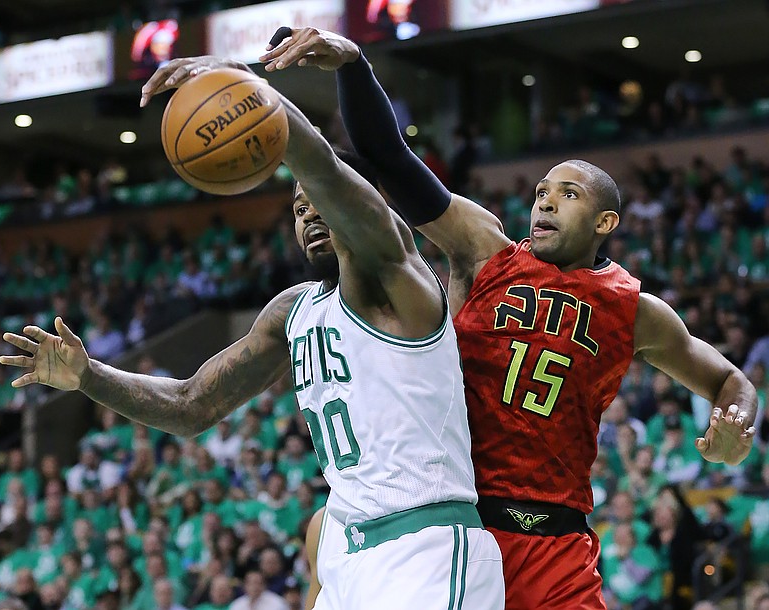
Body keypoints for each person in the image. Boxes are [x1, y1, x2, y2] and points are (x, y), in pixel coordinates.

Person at [259, 27, 758, 609]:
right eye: (543, 190)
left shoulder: (634, 310)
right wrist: (353, 65)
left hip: (559, 541)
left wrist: (734, 432)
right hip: (466, 529)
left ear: (605, 223)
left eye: (568, 194)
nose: (545, 200)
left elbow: (731, 382)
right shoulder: (484, 251)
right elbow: (389, 158)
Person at [0, 58, 504, 609]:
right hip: (347, 549)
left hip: (426, 546)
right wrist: (89, 375)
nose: (309, 213)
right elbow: (191, 405)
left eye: (319, 204)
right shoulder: (293, 311)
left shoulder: (398, 280)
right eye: (297, 208)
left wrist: (252, 94)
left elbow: (330, 177)